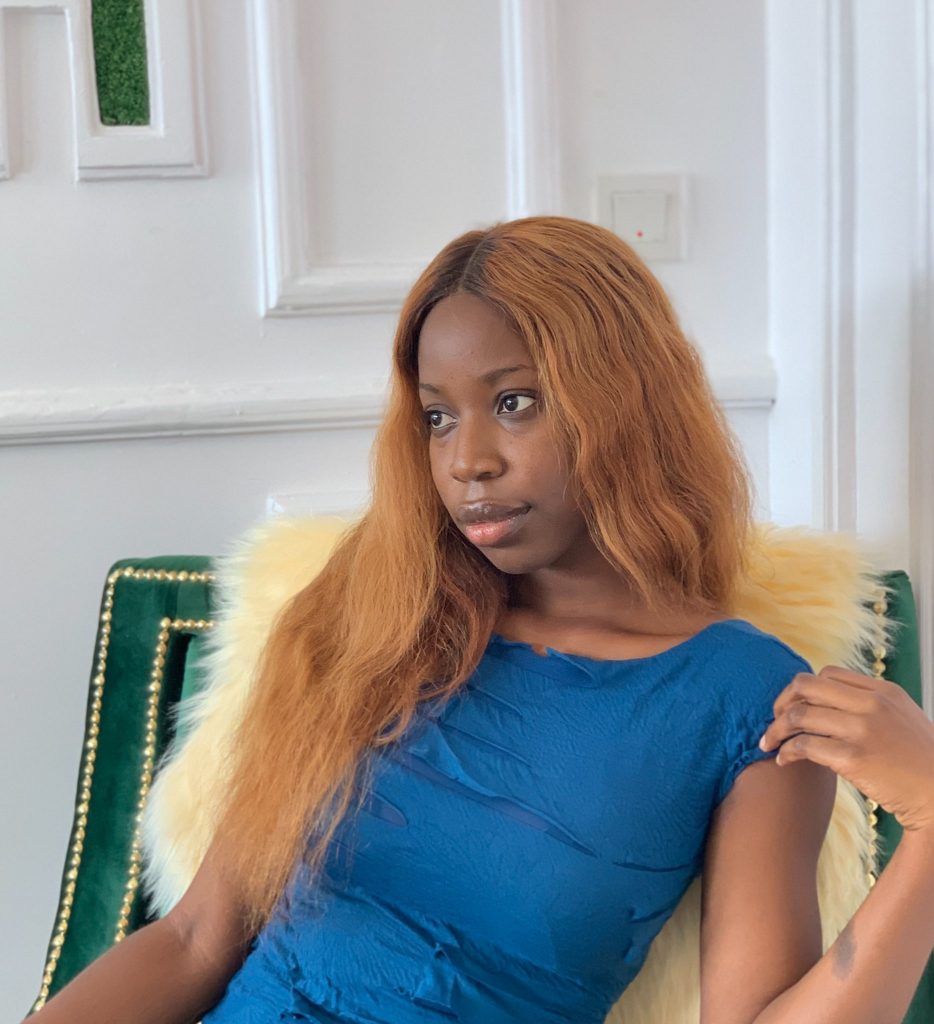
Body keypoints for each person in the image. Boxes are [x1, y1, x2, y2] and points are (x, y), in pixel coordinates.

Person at [25, 216, 934, 1024]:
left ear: (627, 398)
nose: (468, 462)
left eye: (514, 403)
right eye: (437, 417)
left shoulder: (742, 699)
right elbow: (194, 938)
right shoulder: (377, 611)